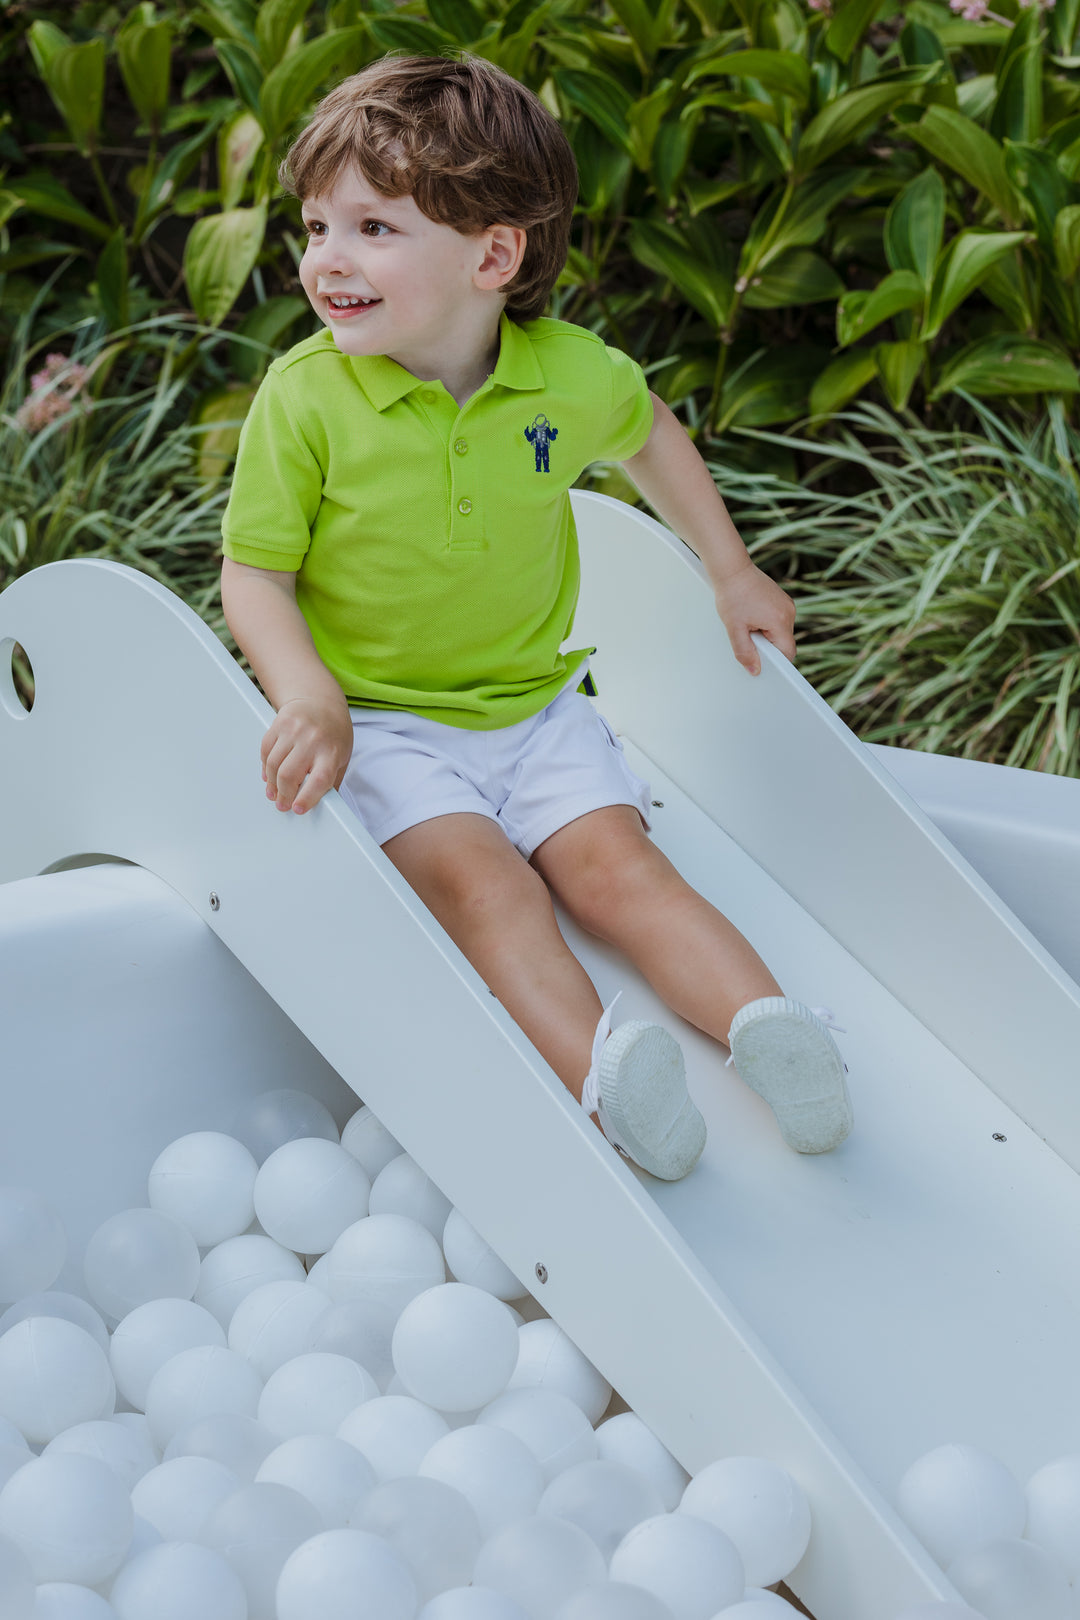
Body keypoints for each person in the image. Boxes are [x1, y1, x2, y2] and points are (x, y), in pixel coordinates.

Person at [220, 53, 852, 1180]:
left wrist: (729, 570)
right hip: (391, 728)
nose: (325, 260)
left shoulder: (564, 375)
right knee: (490, 887)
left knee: (624, 872)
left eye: (371, 228)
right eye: (313, 227)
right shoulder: (306, 398)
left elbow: (649, 426)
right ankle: (607, 1076)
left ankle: (772, 1030)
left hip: (539, 711)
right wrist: (310, 698)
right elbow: (254, 576)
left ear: (494, 255)